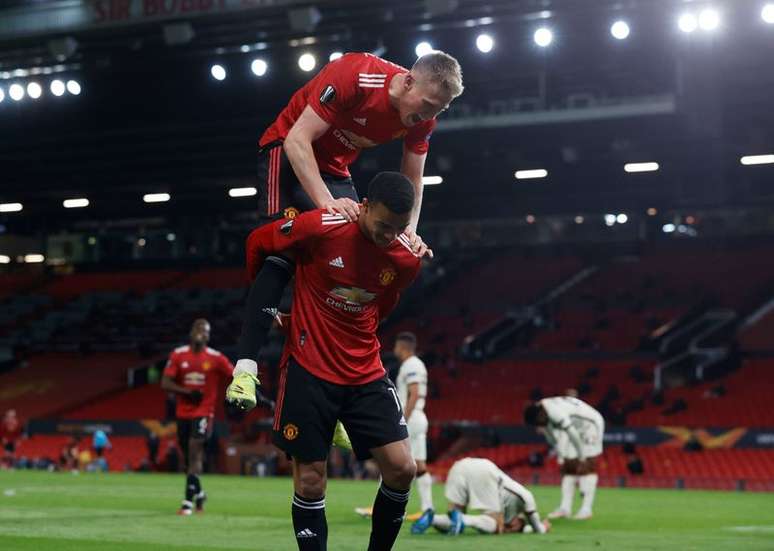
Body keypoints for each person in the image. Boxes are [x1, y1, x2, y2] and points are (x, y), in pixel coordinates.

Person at [232, 50, 464, 387]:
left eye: (438, 110)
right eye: (427, 104)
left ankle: (337, 384)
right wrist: (327, 204)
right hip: (285, 150)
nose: (429, 115)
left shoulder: (423, 119)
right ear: (409, 81)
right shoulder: (355, 75)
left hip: (333, 168)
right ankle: (245, 368)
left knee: (362, 251)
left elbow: (412, 180)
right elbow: (299, 138)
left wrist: (409, 232)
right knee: (282, 254)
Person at [227, 172, 422, 551]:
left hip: (365, 371)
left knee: (402, 469)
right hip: (309, 369)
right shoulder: (322, 226)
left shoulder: (406, 256)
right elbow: (259, 242)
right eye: (383, 225)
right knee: (311, 480)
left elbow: (386, 301)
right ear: (363, 207)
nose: (388, 236)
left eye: (398, 228)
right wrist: (267, 310)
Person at [355, 332, 431, 522]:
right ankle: (428, 508)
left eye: (397, 346)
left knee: (390, 461)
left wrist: (402, 419)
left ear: (403, 347)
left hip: (411, 419)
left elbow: (413, 394)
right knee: (419, 466)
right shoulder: (417, 365)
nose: (395, 350)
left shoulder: (411, 365)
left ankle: (383, 508)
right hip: (419, 417)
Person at [161, 318, 234, 515]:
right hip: (183, 413)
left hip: (204, 412)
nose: (201, 332)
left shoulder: (216, 358)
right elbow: (165, 382)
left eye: (206, 330)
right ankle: (200, 494)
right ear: (191, 331)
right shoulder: (178, 355)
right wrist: (186, 392)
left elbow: (236, 375)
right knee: (187, 459)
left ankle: (187, 503)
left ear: (209, 336)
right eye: (198, 328)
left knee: (194, 452)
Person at [411, 457, 550, 536]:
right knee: (495, 526)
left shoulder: (512, 509)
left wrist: (523, 529)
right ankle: (463, 520)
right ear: (521, 518)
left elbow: (510, 527)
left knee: (455, 517)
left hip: (460, 466)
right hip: (484, 470)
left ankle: (431, 519)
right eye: (518, 526)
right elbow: (538, 528)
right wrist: (543, 527)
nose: (513, 527)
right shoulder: (527, 499)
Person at [523, 396, 605, 520]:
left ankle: (586, 509)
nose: (538, 425)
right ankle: (565, 508)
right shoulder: (542, 413)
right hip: (575, 428)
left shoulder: (555, 412)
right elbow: (553, 438)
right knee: (569, 468)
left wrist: (582, 456)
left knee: (587, 466)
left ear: (540, 414)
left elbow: (572, 433)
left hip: (590, 425)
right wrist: (561, 455)